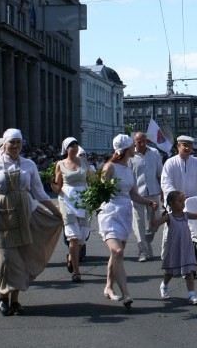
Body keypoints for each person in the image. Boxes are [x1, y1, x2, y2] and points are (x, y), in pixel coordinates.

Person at [0, 128, 64, 316]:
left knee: (22, 257)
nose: (15, 146)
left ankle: (15, 300)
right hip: (1, 216)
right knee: (6, 258)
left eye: (18, 143)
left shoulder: (28, 165)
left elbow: (39, 192)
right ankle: (3, 296)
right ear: (4, 144)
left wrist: (57, 213)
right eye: (12, 142)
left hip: (25, 215)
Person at [98, 134, 158, 309]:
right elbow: (101, 191)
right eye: (132, 145)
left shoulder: (128, 170)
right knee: (117, 252)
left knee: (115, 255)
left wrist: (149, 202)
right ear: (125, 149)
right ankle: (126, 294)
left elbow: (133, 195)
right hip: (110, 213)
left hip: (125, 213)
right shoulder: (110, 167)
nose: (135, 148)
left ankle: (108, 287)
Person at [151, 190, 197, 305]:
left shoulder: (186, 215)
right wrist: (153, 211)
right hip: (174, 248)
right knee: (170, 272)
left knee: (189, 270)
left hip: (186, 247)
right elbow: (154, 224)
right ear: (171, 203)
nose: (183, 204)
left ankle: (192, 295)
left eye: (183, 201)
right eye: (180, 201)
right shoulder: (169, 217)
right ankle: (164, 285)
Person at [51, 137, 92, 283]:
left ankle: (70, 257)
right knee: (73, 237)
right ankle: (76, 272)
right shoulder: (60, 164)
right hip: (68, 200)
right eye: (71, 145)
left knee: (82, 237)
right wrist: (51, 184)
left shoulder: (83, 161)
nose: (74, 147)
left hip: (84, 199)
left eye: (76, 144)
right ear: (66, 149)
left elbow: (91, 180)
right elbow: (58, 186)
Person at [129, 132, 164, 262]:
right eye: (139, 142)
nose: (143, 144)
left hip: (154, 191)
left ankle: (146, 240)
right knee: (138, 223)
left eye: (144, 141)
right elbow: (128, 175)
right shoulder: (130, 155)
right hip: (136, 193)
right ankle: (143, 251)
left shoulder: (154, 152)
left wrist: (163, 192)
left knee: (156, 221)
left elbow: (160, 172)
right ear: (134, 143)